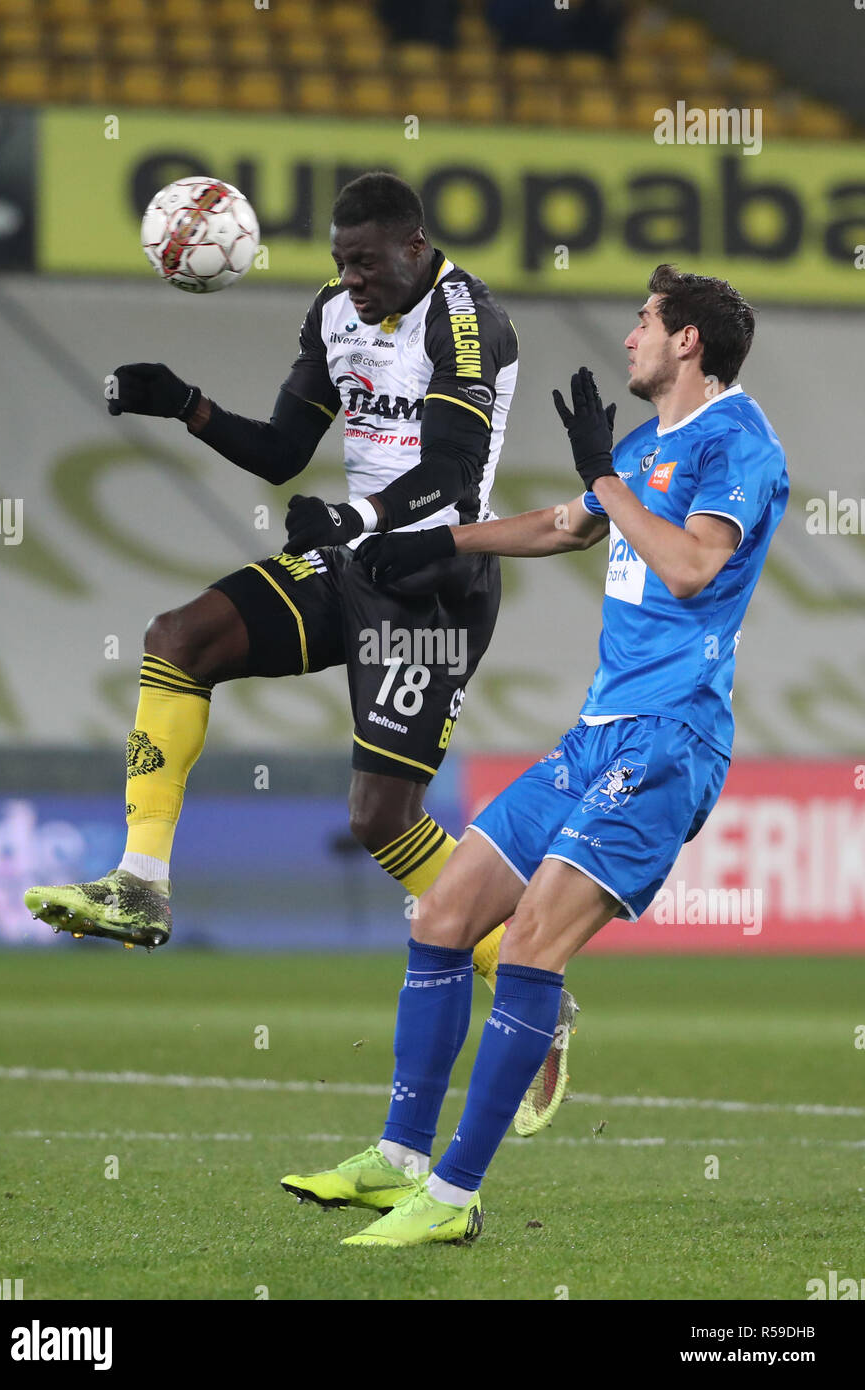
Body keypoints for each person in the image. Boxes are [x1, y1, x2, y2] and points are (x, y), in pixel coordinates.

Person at [24, 170, 573, 1133]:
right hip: (349, 560)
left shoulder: (471, 319)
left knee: (379, 819)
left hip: (435, 580)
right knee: (179, 640)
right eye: (338, 262)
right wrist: (187, 406)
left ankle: (530, 974)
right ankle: (141, 884)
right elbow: (284, 451)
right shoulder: (333, 314)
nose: (350, 279)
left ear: (414, 244)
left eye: (365, 262)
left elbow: (447, 473)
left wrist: (353, 515)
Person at [281, 264, 788, 1247]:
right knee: (442, 912)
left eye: (645, 321)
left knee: (527, 945)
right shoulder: (646, 445)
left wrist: (604, 474)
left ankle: (457, 1194)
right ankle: (398, 1162)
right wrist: (433, 543)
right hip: (595, 735)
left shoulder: (738, 443)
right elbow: (567, 525)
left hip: (670, 739)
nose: (630, 335)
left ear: (688, 340)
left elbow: (689, 568)